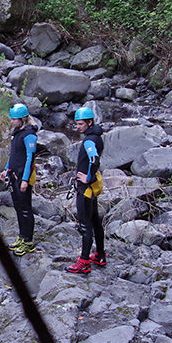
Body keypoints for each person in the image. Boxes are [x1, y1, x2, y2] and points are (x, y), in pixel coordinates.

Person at [66, 106, 106, 274]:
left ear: (90, 122)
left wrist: (87, 178)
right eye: (76, 124)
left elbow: (94, 160)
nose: (78, 127)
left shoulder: (90, 140)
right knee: (95, 221)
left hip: (86, 188)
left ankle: (84, 261)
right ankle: (100, 255)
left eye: (81, 124)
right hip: (91, 187)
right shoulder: (96, 137)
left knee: (85, 225)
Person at [0, 103, 38, 255]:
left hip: (23, 176)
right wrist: (6, 169)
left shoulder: (29, 135)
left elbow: (30, 158)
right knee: (19, 208)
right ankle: (22, 237)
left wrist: (25, 180)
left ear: (22, 119)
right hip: (14, 174)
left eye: (14, 119)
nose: (11, 121)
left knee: (26, 209)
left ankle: (28, 242)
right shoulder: (17, 133)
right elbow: (13, 154)